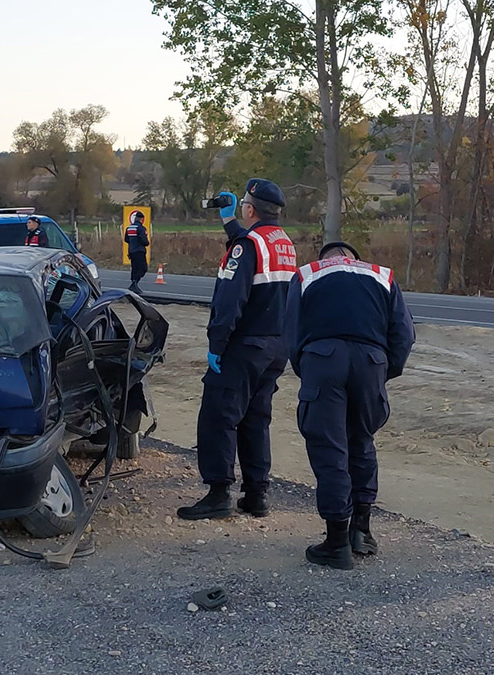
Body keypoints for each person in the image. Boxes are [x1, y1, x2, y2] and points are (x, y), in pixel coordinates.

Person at [284, 241, 415, 569]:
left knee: (330, 450)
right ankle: (362, 531)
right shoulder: (382, 276)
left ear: (326, 259)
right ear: (354, 259)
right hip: (371, 361)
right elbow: (404, 334)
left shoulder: (307, 274)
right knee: (362, 442)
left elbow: (290, 331)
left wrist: (309, 367)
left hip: (323, 358)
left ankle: (336, 543)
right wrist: (383, 371)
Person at [177, 178, 298, 521]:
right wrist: (229, 222)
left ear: (249, 208)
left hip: (244, 345)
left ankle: (218, 493)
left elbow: (231, 298)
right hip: (276, 346)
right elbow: (251, 255)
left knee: (219, 416)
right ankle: (256, 494)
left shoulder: (248, 245)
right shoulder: (282, 242)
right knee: (255, 419)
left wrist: (217, 342)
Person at [124, 210, 150, 294]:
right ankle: (134, 283)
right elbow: (144, 241)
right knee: (143, 268)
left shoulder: (129, 228)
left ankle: (133, 284)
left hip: (131, 251)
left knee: (134, 268)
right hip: (139, 251)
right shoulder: (141, 228)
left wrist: (132, 243)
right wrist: (146, 243)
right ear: (141, 219)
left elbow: (126, 239)